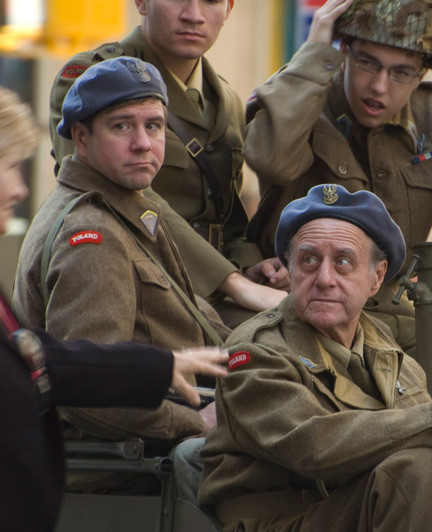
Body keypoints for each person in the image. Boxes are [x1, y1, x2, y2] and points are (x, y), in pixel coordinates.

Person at [198, 184, 432, 532]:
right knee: (421, 470)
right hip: (276, 521)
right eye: (309, 260)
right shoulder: (256, 349)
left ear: (376, 278)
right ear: (290, 269)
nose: (325, 279)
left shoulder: (385, 349)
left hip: (356, 510)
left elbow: (415, 439)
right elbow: (315, 446)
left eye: (343, 262)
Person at [241, 0, 432, 390]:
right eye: (367, 63)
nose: (379, 85)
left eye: (401, 72)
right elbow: (271, 160)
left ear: (424, 73)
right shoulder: (300, 97)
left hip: (402, 328)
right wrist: (313, 57)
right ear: (342, 50)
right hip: (302, 311)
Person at [0, 86, 230, 532]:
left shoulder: (128, 208)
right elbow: (90, 404)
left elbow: (45, 356)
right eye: (122, 126)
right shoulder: (92, 233)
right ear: (81, 138)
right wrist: (193, 421)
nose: (143, 142)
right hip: (129, 468)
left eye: (155, 126)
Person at [49, 0, 284, 325]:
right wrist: (231, 281)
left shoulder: (225, 100)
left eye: (212, 1)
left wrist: (247, 264)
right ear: (142, 3)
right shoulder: (90, 80)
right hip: (131, 285)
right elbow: (103, 194)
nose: (194, 15)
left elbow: (227, 217)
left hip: (211, 292)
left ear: (229, 9)